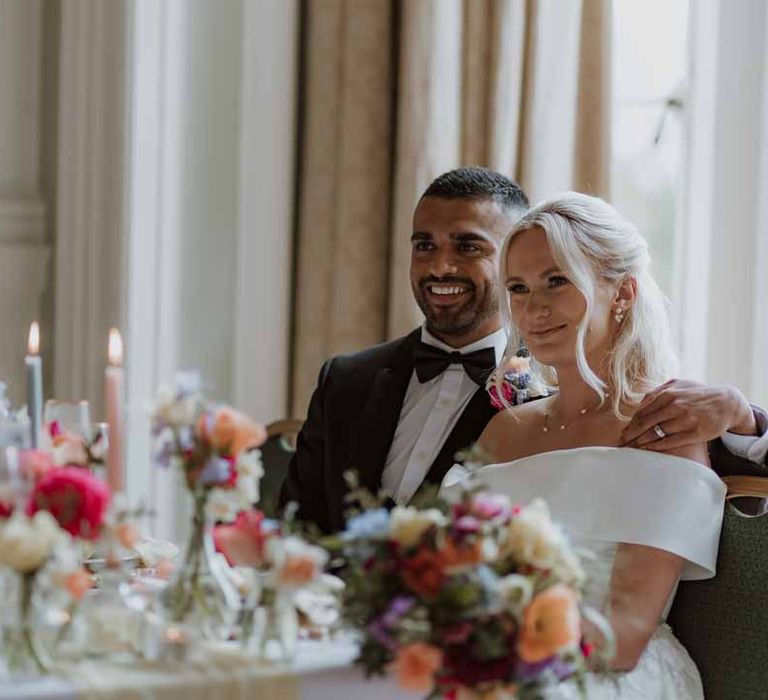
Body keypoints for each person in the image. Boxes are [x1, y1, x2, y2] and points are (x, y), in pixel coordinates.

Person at [280, 167, 767, 534]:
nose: (441, 266)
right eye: (424, 245)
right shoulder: (344, 378)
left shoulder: (562, 383)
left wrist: (743, 416)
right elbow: (294, 526)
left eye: (469, 247)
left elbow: (690, 471)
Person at [440, 192, 726, 697]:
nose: (535, 308)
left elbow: (625, 634)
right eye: (519, 288)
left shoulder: (662, 426)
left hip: (604, 671)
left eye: (557, 280)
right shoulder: (503, 430)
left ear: (623, 292)